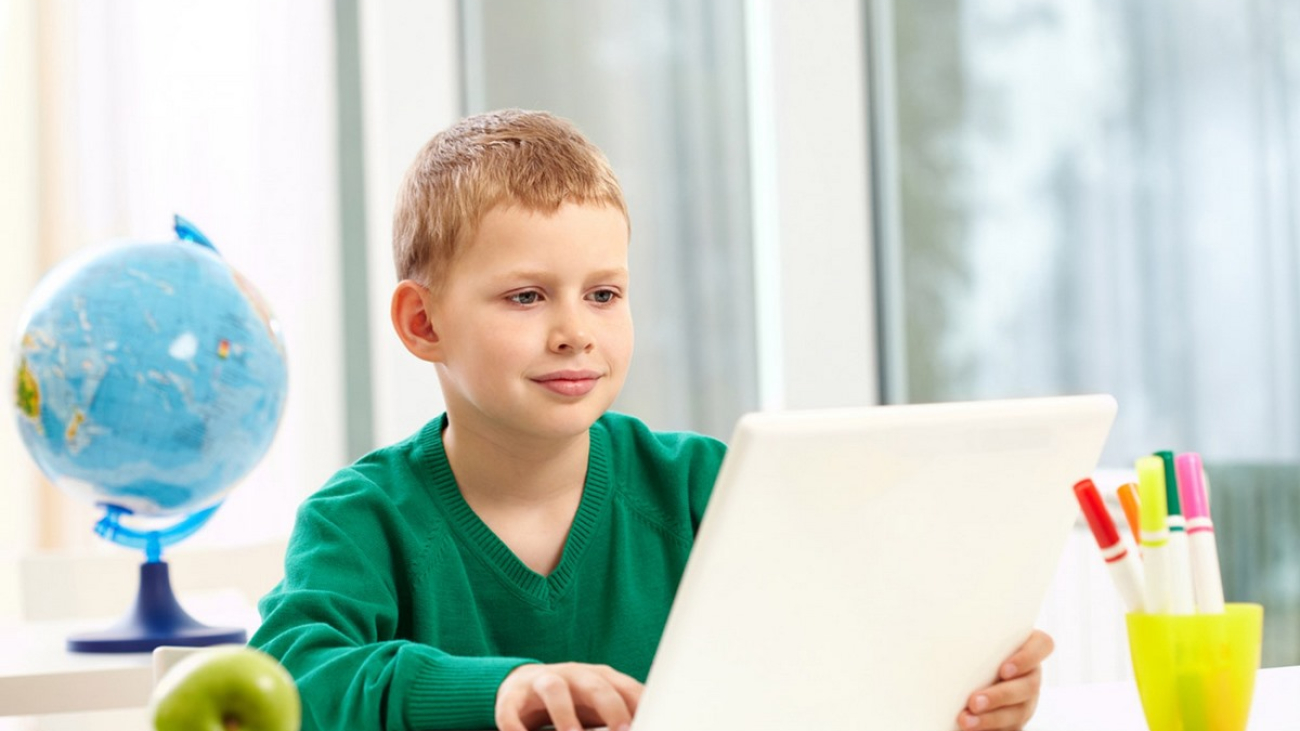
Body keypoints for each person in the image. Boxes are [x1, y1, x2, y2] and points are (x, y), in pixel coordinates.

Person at [249, 108, 1053, 731]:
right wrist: (504, 688)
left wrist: (964, 688)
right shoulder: (360, 520)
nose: (576, 329)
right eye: (527, 296)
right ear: (424, 323)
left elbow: (837, 650)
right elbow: (287, 681)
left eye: (603, 293)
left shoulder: (708, 487)